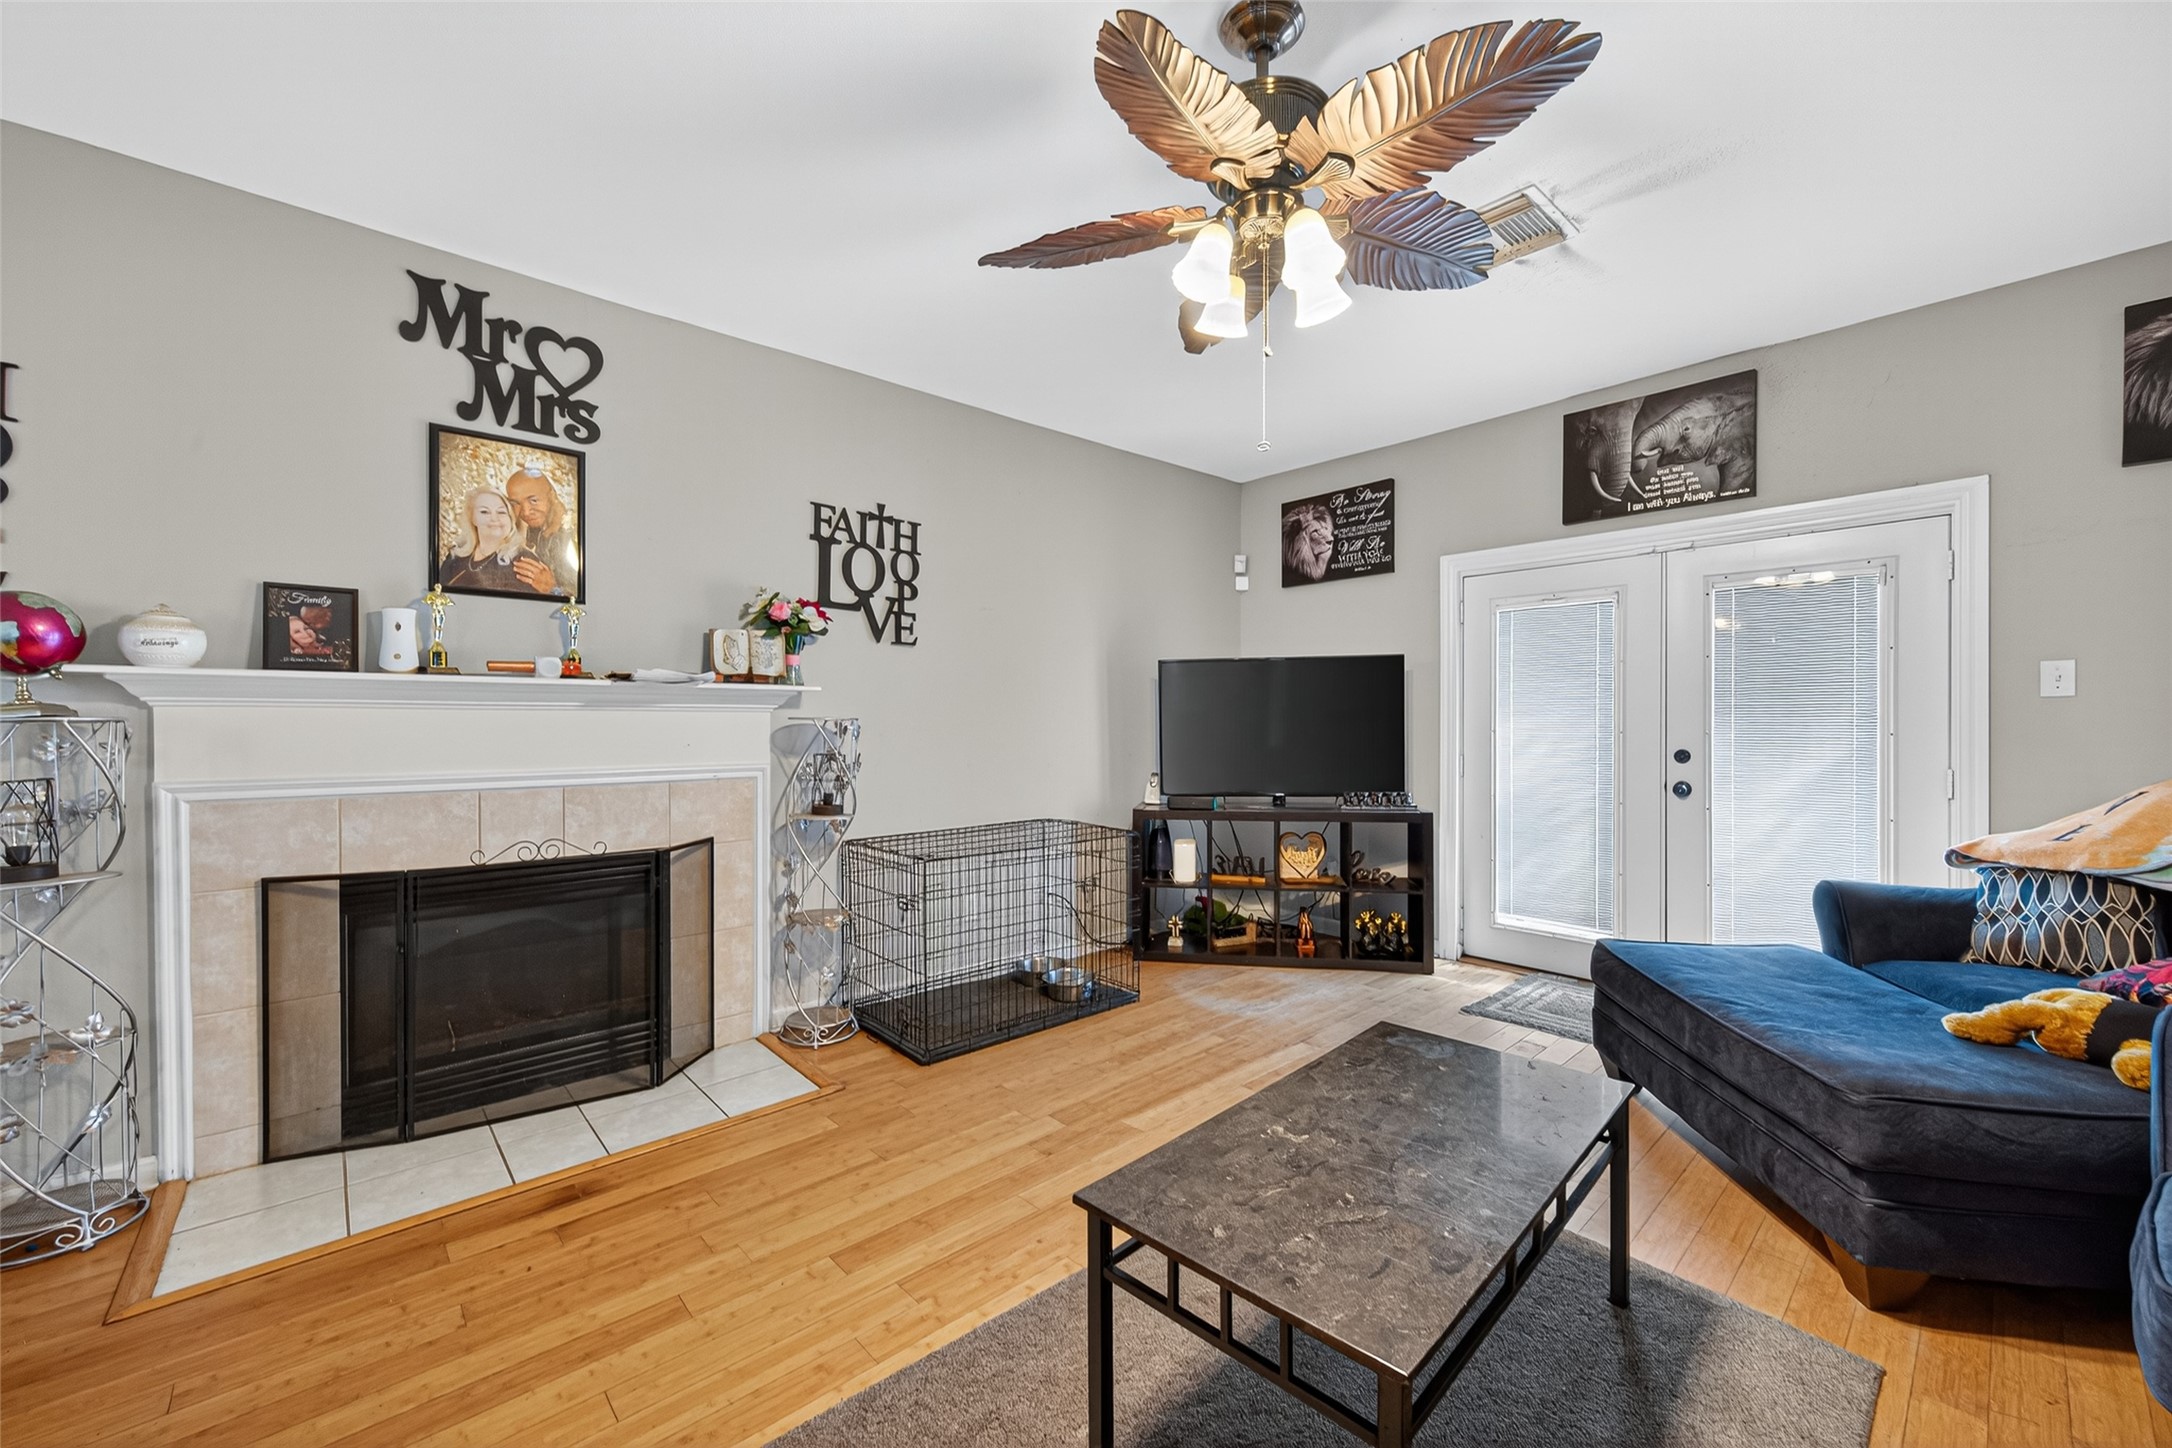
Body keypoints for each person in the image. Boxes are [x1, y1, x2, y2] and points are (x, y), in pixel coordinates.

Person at [439, 487, 537, 593]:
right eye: (484, 512)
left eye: (501, 512)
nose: (494, 518)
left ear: (510, 518)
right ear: (472, 518)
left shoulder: (524, 560)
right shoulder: (455, 558)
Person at [503, 465, 578, 597]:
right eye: (516, 503)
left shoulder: (573, 534)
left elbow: (591, 596)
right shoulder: (531, 531)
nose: (525, 512)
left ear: (551, 496)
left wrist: (553, 589)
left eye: (533, 500)